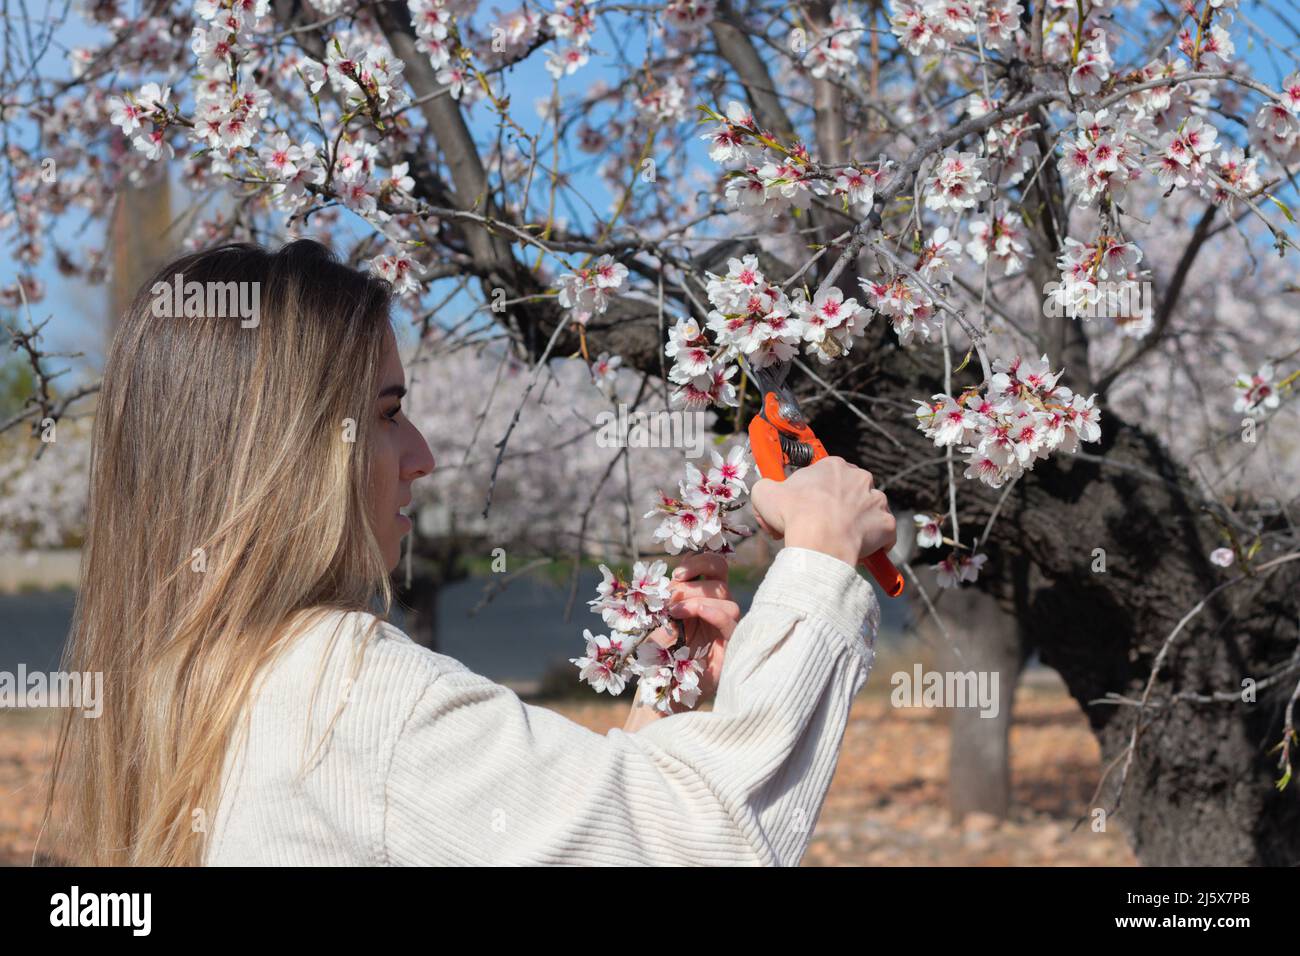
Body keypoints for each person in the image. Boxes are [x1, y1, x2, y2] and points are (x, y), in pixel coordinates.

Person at [41, 238, 896, 866]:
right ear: (287, 448)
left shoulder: (180, 680)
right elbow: (703, 844)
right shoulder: (346, 693)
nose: (422, 453)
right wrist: (819, 557)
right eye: (385, 414)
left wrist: (664, 711)